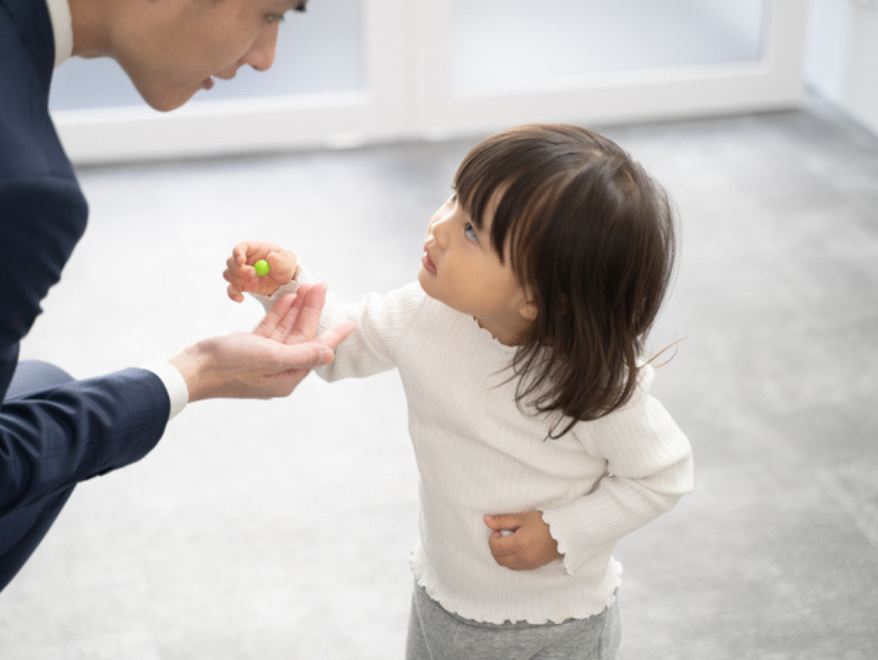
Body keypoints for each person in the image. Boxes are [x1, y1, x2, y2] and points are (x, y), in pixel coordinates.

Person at [224, 124, 695, 659]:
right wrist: (288, 286)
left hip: (550, 625)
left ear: (539, 299)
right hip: (442, 596)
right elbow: (340, 347)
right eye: (454, 198)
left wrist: (563, 531)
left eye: (472, 231)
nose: (439, 227)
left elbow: (663, 474)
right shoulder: (424, 312)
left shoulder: (590, 382)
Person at [0, 0, 356, 592]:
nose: (267, 56)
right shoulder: (24, 186)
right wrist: (193, 375)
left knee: (44, 386)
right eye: (270, 11)